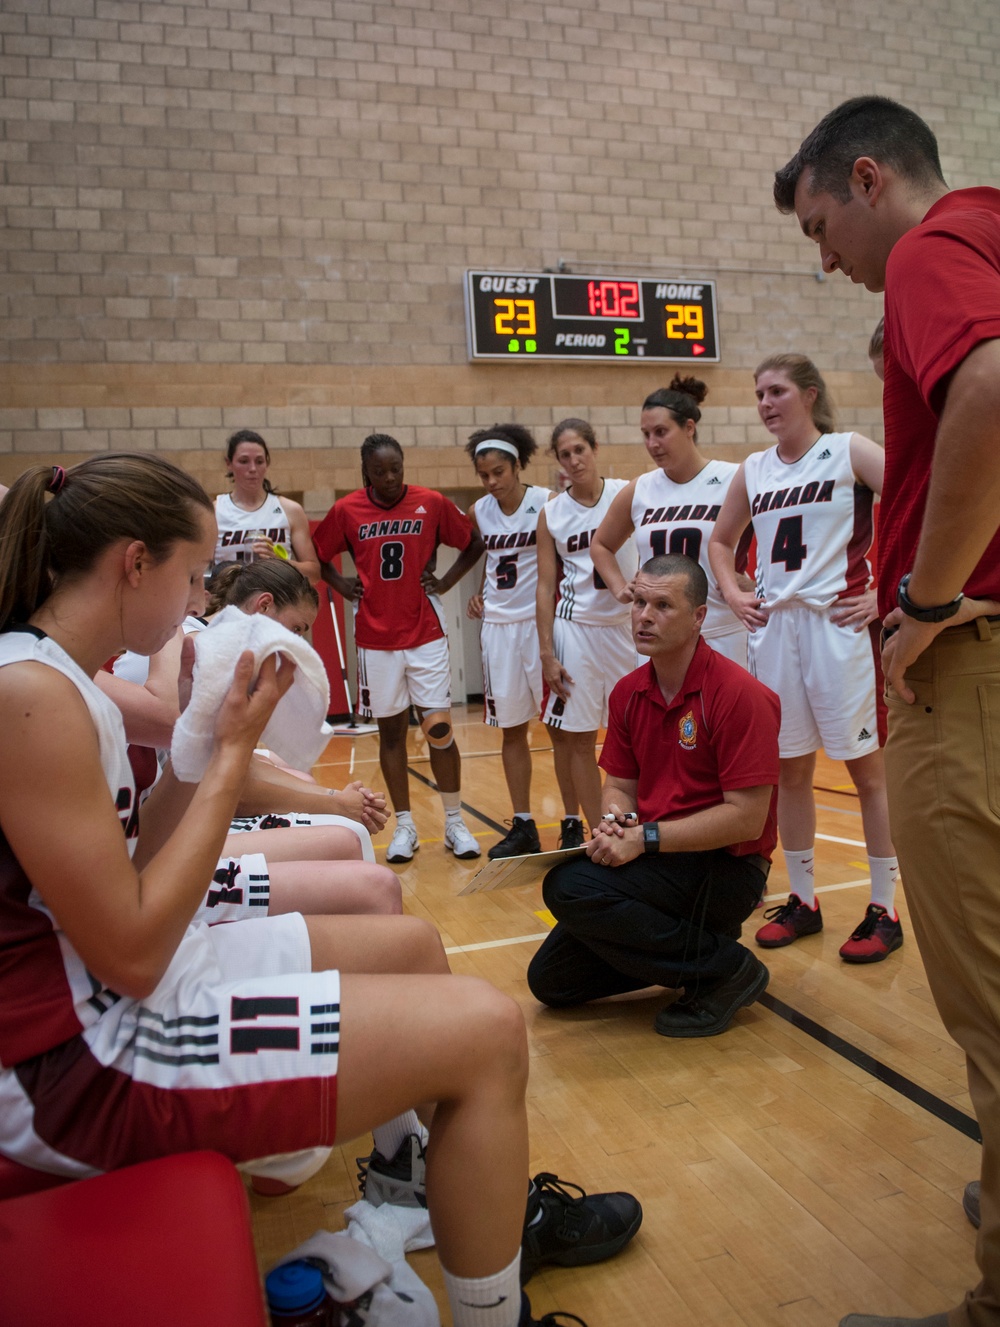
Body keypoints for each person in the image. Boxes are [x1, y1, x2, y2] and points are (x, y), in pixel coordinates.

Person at [0, 454, 640, 1327]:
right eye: (192, 577)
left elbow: (141, 863)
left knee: (411, 946)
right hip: (68, 1065)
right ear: (132, 563)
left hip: (100, 990)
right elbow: (137, 952)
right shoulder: (30, 693)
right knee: (488, 1034)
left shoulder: (56, 676)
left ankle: (412, 1180)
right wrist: (229, 761)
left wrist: (201, 743)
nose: (198, 602)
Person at [773, 94, 1000, 1327]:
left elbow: (992, 392)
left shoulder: (923, 249)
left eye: (820, 226)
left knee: (989, 1002)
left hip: (964, 669)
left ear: (868, 180)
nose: (826, 261)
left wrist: (926, 597)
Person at [526, 554, 780, 1038]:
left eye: (662, 605)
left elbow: (747, 819)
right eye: (639, 601)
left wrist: (644, 839)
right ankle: (696, 945)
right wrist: (618, 821)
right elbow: (620, 786)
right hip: (660, 858)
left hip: (725, 869)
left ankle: (725, 967)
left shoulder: (739, 694)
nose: (643, 615)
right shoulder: (627, 692)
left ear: (699, 617)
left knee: (567, 887)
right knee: (552, 981)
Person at [708, 354, 903, 963]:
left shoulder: (848, 450)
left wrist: (887, 589)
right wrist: (735, 591)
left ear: (809, 395)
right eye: (759, 393)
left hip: (838, 627)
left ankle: (884, 908)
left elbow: (919, 499)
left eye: (777, 391)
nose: (766, 403)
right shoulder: (753, 469)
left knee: (867, 774)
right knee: (789, 770)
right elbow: (719, 540)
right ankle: (804, 900)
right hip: (776, 632)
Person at [315, 434, 485, 864]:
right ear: (366, 472)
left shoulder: (432, 502)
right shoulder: (346, 510)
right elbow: (316, 555)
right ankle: (405, 826)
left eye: (396, 469)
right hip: (375, 639)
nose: (389, 478)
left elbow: (474, 543)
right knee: (391, 735)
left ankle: (453, 822)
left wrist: (444, 583)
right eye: (380, 471)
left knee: (439, 731)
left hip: (425, 631)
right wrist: (340, 584)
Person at [591, 376, 749, 668]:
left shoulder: (733, 478)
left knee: (723, 714)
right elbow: (600, 545)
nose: (652, 443)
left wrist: (753, 583)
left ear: (689, 428)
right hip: (660, 636)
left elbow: (775, 534)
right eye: (646, 434)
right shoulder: (640, 489)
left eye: (661, 432)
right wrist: (620, 587)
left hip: (723, 631)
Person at [536, 418, 637, 844]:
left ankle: (637, 824)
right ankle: (601, 832)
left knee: (636, 736)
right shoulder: (552, 512)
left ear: (595, 448)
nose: (574, 460)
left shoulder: (628, 493)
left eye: (580, 449)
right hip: (575, 630)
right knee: (577, 739)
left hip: (629, 628)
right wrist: (546, 653)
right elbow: (544, 584)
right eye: (565, 454)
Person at [466, 424, 553, 859]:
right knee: (512, 731)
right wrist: (481, 592)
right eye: (484, 475)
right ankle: (523, 823)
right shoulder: (479, 510)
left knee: (561, 728)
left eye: (499, 471)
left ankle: (573, 821)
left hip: (540, 624)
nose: (492, 481)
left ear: (518, 465)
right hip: (498, 628)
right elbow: (493, 559)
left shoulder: (546, 502)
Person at [214, 429, 320, 583]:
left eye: (259, 461)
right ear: (229, 464)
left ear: (267, 463)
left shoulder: (290, 510)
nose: (252, 469)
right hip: (231, 603)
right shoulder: (215, 511)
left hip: (278, 602)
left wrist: (279, 563)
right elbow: (197, 572)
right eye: (244, 461)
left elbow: (314, 574)